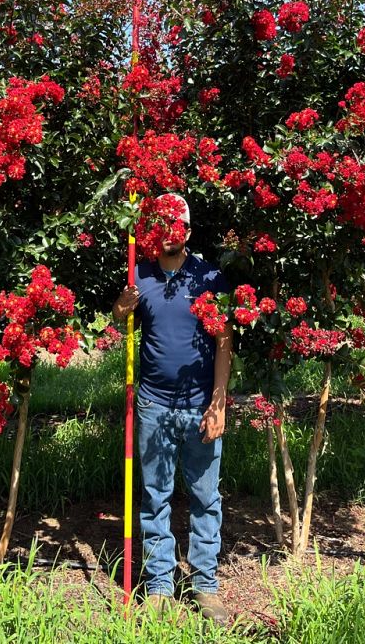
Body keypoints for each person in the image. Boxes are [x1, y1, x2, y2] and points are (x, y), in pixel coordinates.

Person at [112, 194, 232, 625]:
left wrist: (219, 403)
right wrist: (119, 309)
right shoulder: (139, 275)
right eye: (161, 227)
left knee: (205, 498)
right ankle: (160, 585)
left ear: (188, 232)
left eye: (175, 227)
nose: (169, 235)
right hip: (153, 405)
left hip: (200, 404)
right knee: (154, 497)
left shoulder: (209, 278)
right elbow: (122, 321)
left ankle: (204, 586)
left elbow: (223, 342)